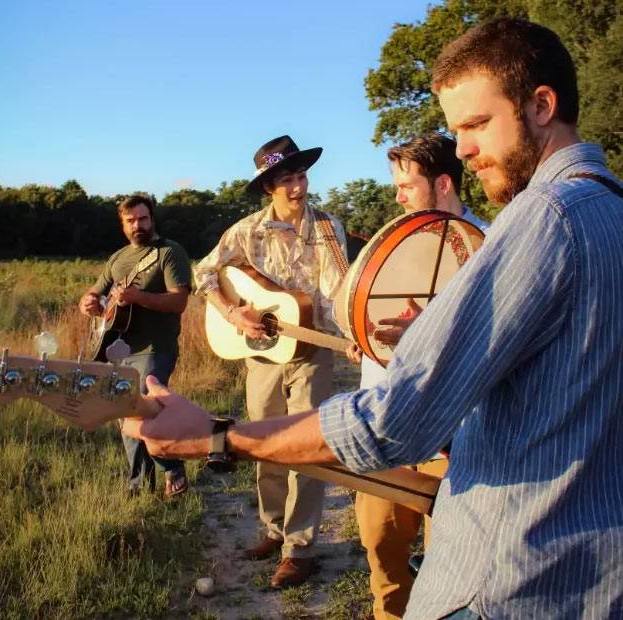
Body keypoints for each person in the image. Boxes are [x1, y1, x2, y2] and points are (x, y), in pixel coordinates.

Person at [124, 18, 623, 619]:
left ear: (542, 105)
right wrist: (435, 336)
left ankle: (301, 544)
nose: (461, 149)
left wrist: (217, 436)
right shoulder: (609, 207)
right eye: (456, 128)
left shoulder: (539, 217)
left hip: (507, 584)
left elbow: (395, 421)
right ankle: (273, 529)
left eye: (475, 124)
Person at [192, 135, 348, 589]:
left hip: (313, 348)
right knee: (265, 441)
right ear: (268, 188)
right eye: (287, 181)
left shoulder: (327, 228)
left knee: (305, 446)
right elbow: (204, 273)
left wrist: (353, 331)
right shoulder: (245, 232)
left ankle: (299, 548)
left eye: (301, 177)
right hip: (262, 354)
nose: (298, 188)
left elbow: (337, 290)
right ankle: (273, 528)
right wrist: (233, 311)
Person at [350, 133, 487, 620]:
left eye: (407, 185)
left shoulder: (489, 249)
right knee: (382, 552)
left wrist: (426, 335)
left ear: (443, 183)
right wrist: (366, 339)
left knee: (448, 569)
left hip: (457, 444)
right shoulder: (399, 244)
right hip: (388, 431)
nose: (398, 196)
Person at [79, 194, 191, 498]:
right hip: (119, 349)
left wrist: (138, 297)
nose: (137, 225)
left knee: (139, 411)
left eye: (143, 219)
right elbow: (95, 295)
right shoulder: (117, 259)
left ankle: (171, 467)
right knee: (125, 415)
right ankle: (140, 487)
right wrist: (89, 303)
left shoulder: (170, 252)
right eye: (131, 220)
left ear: (151, 218)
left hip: (156, 347)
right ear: (123, 223)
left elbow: (179, 301)